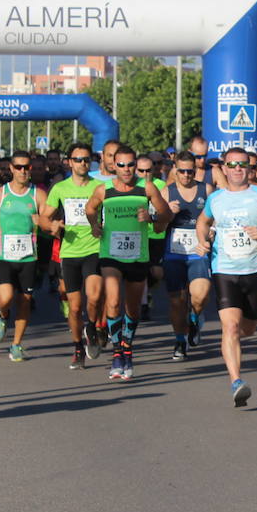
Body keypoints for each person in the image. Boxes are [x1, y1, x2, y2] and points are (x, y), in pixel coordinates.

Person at [195, 147, 257, 406]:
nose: (237, 168)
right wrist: (203, 241)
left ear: (249, 168)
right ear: (224, 169)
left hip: (256, 270)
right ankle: (236, 381)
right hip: (224, 270)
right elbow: (202, 222)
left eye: (242, 164)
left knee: (248, 329)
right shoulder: (216, 199)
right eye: (232, 164)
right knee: (231, 327)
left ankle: (236, 350)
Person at [86, 144, 171, 380]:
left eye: (130, 165)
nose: (126, 169)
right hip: (110, 254)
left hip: (137, 255)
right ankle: (117, 353)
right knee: (113, 302)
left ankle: (127, 349)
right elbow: (90, 208)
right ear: (113, 166)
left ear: (135, 165)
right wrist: (94, 225)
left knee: (132, 308)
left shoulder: (147, 188)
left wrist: (151, 217)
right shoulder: (104, 190)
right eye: (121, 165)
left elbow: (167, 215)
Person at [0, 152, 46, 361]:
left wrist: (45, 222)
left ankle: (16, 344)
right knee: (5, 298)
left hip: (28, 258)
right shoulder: (0, 194)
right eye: (19, 167)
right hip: (4, 256)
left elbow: (47, 222)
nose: (23, 171)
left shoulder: (38, 195)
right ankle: (3, 314)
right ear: (12, 169)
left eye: (27, 167)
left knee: (24, 302)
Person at [43, 144, 104, 369]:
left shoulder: (99, 187)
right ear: (69, 162)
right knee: (75, 307)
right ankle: (78, 347)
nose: (82, 163)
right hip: (69, 252)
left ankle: (92, 327)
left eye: (86, 159)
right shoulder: (60, 188)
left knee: (94, 297)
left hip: (95, 248)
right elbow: (44, 217)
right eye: (78, 159)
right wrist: (52, 226)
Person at [161, 150, 214, 362]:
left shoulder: (206, 189)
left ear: (195, 170)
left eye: (190, 171)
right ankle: (180, 340)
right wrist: (167, 213)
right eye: (182, 171)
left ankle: (194, 318)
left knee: (200, 296)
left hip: (197, 252)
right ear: (175, 170)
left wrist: (211, 232)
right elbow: (157, 227)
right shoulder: (166, 192)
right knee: (177, 301)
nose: (186, 175)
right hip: (174, 253)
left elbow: (215, 219)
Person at [136, 154, 168, 320]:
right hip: (138, 235)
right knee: (141, 272)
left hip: (157, 234)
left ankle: (148, 291)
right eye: (141, 171)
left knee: (157, 273)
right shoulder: (132, 186)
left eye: (148, 170)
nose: (145, 174)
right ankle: (143, 303)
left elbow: (166, 210)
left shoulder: (161, 185)